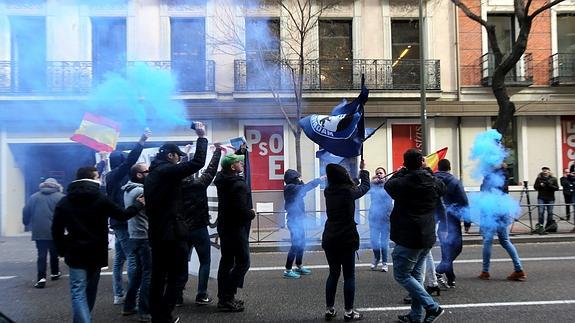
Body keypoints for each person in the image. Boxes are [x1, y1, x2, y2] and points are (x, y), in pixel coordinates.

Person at [51, 167, 144, 323]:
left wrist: (62, 250)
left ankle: (83, 319)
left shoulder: (65, 200)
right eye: (98, 176)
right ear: (94, 178)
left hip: (74, 252)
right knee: (90, 289)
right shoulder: (101, 198)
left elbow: (56, 229)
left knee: (77, 291)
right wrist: (138, 205)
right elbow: (122, 215)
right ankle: (85, 319)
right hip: (96, 251)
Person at [144, 123, 207, 323]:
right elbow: (197, 163)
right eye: (177, 155)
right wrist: (201, 137)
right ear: (170, 156)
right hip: (171, 234)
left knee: (158, 276)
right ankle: (165, 315)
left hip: (156, 233)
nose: (179, 158)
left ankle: (156, 315)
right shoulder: (166, 172)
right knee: (178, 276)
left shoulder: (154, 173)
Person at [384, 149, 445, 323]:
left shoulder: (403, 182)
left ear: (406, 164)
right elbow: (442, 186)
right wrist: (427, 170)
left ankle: (432, 307)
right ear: (421, 163)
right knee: (417, 276)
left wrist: (402, 170)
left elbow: (389, 185)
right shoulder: (433, 182)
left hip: (408, 236)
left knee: (402, 275)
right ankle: (416, 316)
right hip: (427, 235)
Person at [174, 143, 223, 306]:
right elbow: (211, 170)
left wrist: (185, 155)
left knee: (181, 262)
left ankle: (178, 296)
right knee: (205, 261)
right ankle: (201, 294)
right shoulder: (199, 184)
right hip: (199, 227)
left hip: (181, 228)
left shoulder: (175, 187)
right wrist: (217, 151)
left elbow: (182, 169)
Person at [107, 129, 151, 305]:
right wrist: (141, 140)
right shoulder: (119, 174)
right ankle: (135, 296)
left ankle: (119, 295)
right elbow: (131, 160)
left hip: (117, 222)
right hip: (125, 221)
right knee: (133, 258)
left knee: (119, 259)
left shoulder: (111, 176)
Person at [322, 161, 370, 322]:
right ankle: (349, 312)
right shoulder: (348, 192)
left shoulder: (328, 191)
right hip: (346, 237)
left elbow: (352, 185)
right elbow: (364, 187)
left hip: (329, 236)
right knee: (349, 276)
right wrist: (364, 172)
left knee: (333, 274)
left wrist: (355, 179)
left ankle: (329, 310)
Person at [213, 149, 255, 312]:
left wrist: (239, 151)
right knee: (243, 262)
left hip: (224, 226)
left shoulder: (221, 179)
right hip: (235, 228)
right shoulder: (238, 185)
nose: (241, 164)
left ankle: (223, 298)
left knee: (226, 262)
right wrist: (251, 213)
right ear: (232, 167)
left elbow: (225, 167)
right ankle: (227, 298)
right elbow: (241, 210)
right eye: (238, 162)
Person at [478, 164, 526, 281]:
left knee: (488, 240)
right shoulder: (504, 173)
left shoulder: (490, 174)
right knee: (505, 240)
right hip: (503, 210)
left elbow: (485, 191)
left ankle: (485, 271)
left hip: (491, 210)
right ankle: (518, 269)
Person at [121, 163, 151, 322]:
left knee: (138, 274)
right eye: (147, 171)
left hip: (134, 236)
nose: (150, 173)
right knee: (148, 274)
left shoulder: (128, 189)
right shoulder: (140, 191)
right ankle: (145, 311)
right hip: (144, 236)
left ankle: (129, 306)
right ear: (139, 175)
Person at [22, 177, 65, 288]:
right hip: (56, 230)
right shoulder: (60, 197)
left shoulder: (34, 197)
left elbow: (26, 211)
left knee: (41, 255)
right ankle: (55, 273)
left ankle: (41, 278)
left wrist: (26, 222)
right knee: (54, 252)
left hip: (39, 229)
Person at [434, 159, 469, 288]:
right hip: (452, 219)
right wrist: (467, 222)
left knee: (446, 249)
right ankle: (439, 270)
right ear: (449, 168)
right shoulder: (454, 181)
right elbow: (464, 202)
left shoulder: (432, 179)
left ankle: (451, 278)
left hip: (439, 219)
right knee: (457, 248)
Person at [282, 169, 323, 279]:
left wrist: (300, 181)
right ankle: (288, 269)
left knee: (301, 244)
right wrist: (318, 180)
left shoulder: (295, 188)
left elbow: (303, 190)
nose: (300, 179)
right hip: (293, 221)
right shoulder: (290, 188)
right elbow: (305, 188)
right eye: (298, 177)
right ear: (294, 178)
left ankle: (299, 265)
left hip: (299, 220)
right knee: (295, 245)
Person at [368, 167, 393, 272]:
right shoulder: (373, 185)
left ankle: (385, 262)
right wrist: (371, 182)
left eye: (381, 173)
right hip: (374, 217)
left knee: (384, 241)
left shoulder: (389, 185)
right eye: (377, 173)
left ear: (385, 175)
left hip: (386, 217)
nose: (379, 175)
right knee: (374, 241)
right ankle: (376, 258)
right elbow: (365, 188)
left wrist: (385, 183)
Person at [533, 166, 559, 234]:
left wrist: (550, 185)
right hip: (541, 197)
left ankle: (548, 227)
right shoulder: (539, 178)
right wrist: (540, 185)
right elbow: (535, 187)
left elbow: (557, 188)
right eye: (543, 170)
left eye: (546, 170)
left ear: (549, 171)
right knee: (541, 212)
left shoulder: (553, 179)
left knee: (550, 213)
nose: (545, 171)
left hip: (550, 198)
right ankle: (540, 227)